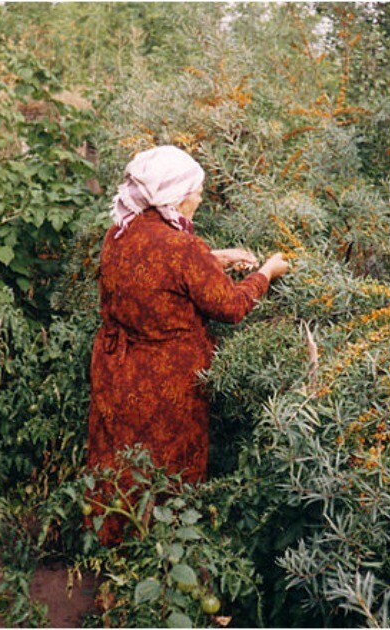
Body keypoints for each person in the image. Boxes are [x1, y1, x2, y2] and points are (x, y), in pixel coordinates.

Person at [86, 145, 289, 545]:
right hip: (166, 382)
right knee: (167, 465)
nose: (199, 198)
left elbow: (155, 273)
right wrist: (266, 272)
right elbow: (230, 306)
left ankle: (112, 545)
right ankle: (161, 554)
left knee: (120, 459)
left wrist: (214, 258)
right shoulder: (182, 249)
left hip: (116, 369)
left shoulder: (119, 234)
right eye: (196, 192)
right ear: (175, 196)